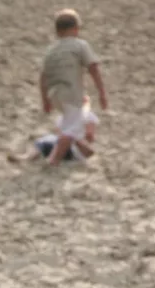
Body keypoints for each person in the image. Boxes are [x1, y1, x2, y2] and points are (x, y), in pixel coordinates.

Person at [39, 10, 108, 169]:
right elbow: (93, 68)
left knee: (69, 123)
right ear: (76, 29)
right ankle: (53, 160)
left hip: (55, 94)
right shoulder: (80, 45)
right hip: (71, 93)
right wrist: (102, 93)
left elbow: (42, 77)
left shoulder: (51, 50)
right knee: (71, 128)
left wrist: (45, 100)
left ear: (57, 31)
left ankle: (65, 152)